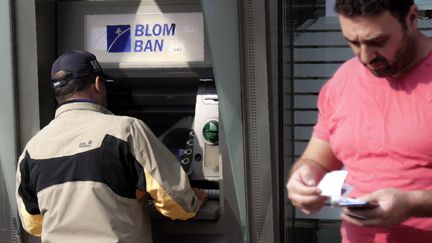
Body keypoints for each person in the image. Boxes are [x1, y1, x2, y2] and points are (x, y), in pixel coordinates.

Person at [16, 50, 208, 243]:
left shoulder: (32, 150)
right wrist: (193, 200)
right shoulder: (126, 131)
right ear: (99, 85)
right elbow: (176, 203)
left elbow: (34, 223)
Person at [286, 0, 432, 242]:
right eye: (353, 42)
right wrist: (303, 179)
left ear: (411, 18)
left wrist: (412, 203)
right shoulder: (343, 79)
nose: (365, 57)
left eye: (378, 41)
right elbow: (317, 160)